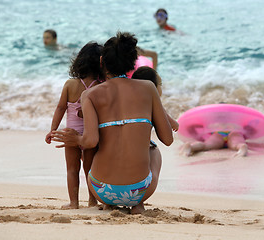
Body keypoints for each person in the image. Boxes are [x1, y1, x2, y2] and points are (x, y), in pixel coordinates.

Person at [51, 32, 173, 214]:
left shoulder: (89, 95)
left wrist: (76, 139)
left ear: (102, 62)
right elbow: (168, 139)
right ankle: (137, 205)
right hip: (139, 191)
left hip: (100, 189)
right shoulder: (148, 88)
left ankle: (109, 202)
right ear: (133, 62)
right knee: (153, 149)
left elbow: (90, 141)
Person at [45, 42, 103, 209]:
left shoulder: (70, 84)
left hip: (70, 134)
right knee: (90, 170)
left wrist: (53, 130)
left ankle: (73, 202)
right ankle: (93, 201)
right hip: (90, 136)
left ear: (80, 61)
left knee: (72, 169)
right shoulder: (100, 86)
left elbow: (60, 108)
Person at [131, 66, 178, 132]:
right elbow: (168, 138)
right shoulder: (153, 106)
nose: (161, 88)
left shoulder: (132, 102)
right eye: (160, 84)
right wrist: (174, 123)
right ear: (152, 87)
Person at [182, 128, 248, 157]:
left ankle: (191, 147)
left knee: (206, 145)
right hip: (234, 131)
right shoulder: (235, 122)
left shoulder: (214, 123)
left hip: (218, 133)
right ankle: (241, 147)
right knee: (236, 143)